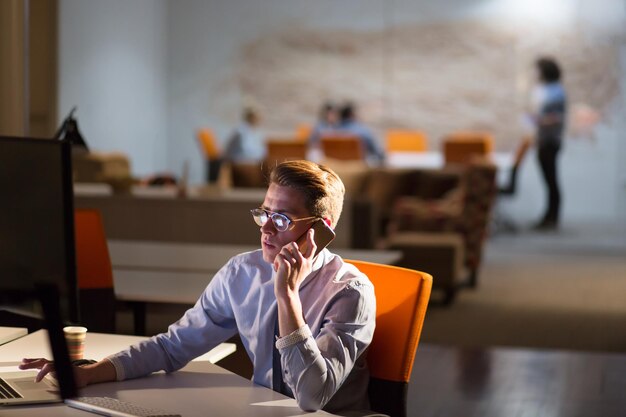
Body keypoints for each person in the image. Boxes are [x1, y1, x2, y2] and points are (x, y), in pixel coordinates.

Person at [20, 160, 377, 414]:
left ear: (321, 230)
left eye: (281, 218)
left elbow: (312, 396)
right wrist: (90, 371)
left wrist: (287, 297)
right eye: (263, 212)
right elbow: (175, 345)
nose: (266, 229)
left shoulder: (350, 294)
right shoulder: (243, 272)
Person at [529, 57, 567, 230]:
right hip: (545, 140)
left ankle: (552, 218)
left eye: (537, 69)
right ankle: (549, 216)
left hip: (550, 141)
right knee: (549, 180)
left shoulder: (555, 92)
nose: (534, 73)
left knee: (551, 181)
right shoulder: (545, 90)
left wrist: (538, 120)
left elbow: (556, 117)